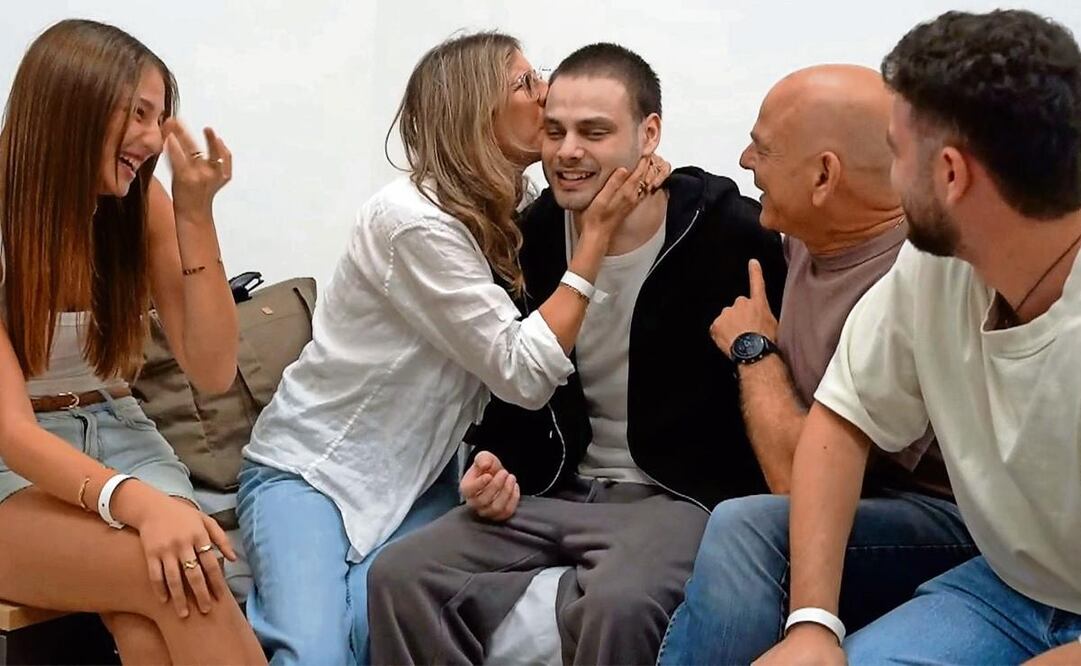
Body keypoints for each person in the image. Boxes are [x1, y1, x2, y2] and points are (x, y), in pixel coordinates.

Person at [236, 33, 665, 665]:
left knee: (385, 620)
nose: (545, 92)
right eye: (525, 82)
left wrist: (647, 169)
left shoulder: (515, 210)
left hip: (425, 482)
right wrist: (595, 238)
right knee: (317, 653)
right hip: (313, 473)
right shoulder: (411, 221)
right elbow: (523, 373)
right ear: (475, 112)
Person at [367, 42, 787, 666]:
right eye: (555, 130)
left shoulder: (729, 234)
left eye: (594, 132)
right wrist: (494, 465)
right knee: (400, 575)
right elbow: (515, 389)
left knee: (618, 605)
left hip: (676, 498)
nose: (567, 151)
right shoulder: (527, 239)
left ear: (649, 135)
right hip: (555, 491)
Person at [755, 10, 1081, 665]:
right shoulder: (933, 266)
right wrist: (812, 624)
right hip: (1009, 589)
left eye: (895, 152)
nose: (887, 173)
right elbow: (842, 418)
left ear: (951, 175)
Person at [657, 64, 977, 665]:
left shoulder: (920, 276)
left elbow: (797, 478)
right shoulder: (810, 234)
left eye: (763, 148)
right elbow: (718, 208)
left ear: (824, 176)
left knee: (747, 529)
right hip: (859, 498)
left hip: (947, 524)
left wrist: (754, 352)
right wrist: (649, 174)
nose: (746, 159)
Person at [0, 19, 265, 665]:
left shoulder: (138, 204)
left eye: (161, 118)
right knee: (179, 578)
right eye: (139, 113)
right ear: (73, 101)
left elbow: (212, 368)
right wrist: (139, 505)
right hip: (13, 464)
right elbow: (12, 431)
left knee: (166, 604)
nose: (152, 139)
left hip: (122, 435)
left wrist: (195, 216)